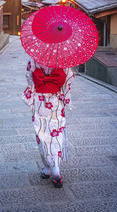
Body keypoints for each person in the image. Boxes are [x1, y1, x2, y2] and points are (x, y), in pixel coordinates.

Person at [22, 57, 74, 188]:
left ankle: (47, 168)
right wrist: (66, 99)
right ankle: (56, 168)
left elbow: (29, 77)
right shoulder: (63, 59)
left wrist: (42, 80)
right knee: (56, 134)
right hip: (56, 102)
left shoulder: (34, 59)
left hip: (40, 102)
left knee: (42, 134)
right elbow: (67, 80)